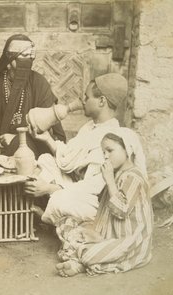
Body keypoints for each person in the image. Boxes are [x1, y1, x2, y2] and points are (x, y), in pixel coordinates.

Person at [25, 73, 128, 222]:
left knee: (61, 201)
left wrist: (49, 188)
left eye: (87, 97)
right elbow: (68, 158)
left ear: (101, 101)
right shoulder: (89, 127)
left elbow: (92, 188)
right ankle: (55, 211)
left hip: (92, 199)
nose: (83, 101)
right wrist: (47, 138)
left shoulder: (110, 139)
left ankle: (54, 218)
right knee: (45, 160)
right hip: (76, 185)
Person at [55, 127, 152, 277]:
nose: (105, 156)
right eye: (103, 152)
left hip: (128, 239)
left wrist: (110, 181)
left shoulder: (134, 177)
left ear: (127, 150)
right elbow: (103, 207)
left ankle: (78, 261)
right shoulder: (116, 174)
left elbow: (121, 211)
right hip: (109, 233)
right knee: (65, 222)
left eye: (110, 150)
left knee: (88, 253)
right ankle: (80, 257)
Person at [0, 34, 66, 159]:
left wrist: (18, 137)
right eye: (23, 56)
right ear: (9, 62)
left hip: (29, 141)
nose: (28, 61)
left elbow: (48, 123)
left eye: (30, 57)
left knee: (21, 144)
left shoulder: (39, 82)